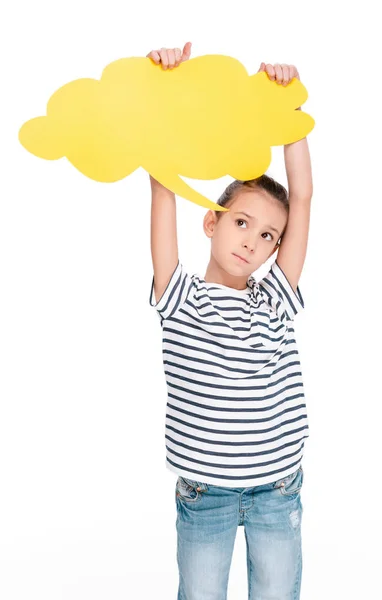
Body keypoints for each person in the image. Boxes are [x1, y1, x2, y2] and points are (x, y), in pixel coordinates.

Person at [147, 42, 313, 600]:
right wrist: (164, 92)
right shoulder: (180, 296)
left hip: (276, 489)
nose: (253, 240)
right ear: (211, 224)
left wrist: (287, 112)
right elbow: (161, 183)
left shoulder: (274, 299)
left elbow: (305, 198)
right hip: (205, 495)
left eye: (268, 234)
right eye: (241, 222)